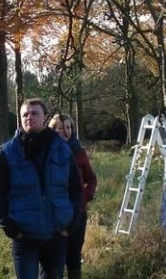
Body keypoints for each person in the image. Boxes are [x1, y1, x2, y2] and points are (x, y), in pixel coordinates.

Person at [0, 98, 81, 279]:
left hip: (56, 234)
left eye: (34, 113)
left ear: (45, 117)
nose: (29, 117)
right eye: (25, 114)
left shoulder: (62, 149)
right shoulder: (7, 152)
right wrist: (10, 228)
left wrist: (71, 224)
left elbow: (75, 189)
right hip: (24, 237)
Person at [48, 113, 97, 279]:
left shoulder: (79, 152)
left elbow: (91, 178)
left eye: (68, 127)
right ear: (53, 130)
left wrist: (85, 196)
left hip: (78, 212)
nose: (65, 131)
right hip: (55, 213)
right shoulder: (47, 152)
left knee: (74, 255)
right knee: (56, 257)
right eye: (61, 128)